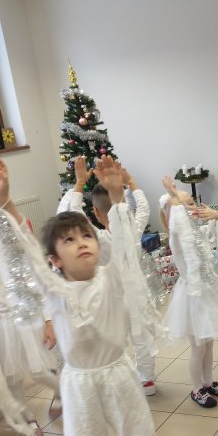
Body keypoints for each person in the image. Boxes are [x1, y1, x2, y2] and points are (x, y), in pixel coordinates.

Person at [0, 156, 171, 436]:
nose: (81, 244)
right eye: (68, 241)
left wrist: (118, 193)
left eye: (84, 236)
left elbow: (123, 239)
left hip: (118, 374)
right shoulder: (53, 289)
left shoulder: (113, 275)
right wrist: (4, 203)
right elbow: (24, 257)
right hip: (79, 381)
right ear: (54, 259)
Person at [58, 157, 158, 395]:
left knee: (115, 337)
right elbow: (143, 207)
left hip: (111, 299)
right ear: (123, 206)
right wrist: (130, 182)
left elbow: (72, 215)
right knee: (141, 336)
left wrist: (79, 183)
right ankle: (147, 381)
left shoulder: (97, 239)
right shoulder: (133, 228)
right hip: (138, 293)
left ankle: (119, 376)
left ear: (95, 212)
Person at [160, 177, 218, 408]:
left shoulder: (198, 230)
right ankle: (196, 388)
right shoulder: (178, 237)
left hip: (209, 290)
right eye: (185, 205)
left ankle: (208, 382)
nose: (191, 209)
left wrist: (217, 215)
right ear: (172, 215)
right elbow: (179, 228)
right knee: (198, 347)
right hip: (192, 296)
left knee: (209, 344)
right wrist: (174, 199)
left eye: (192, 204)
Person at [0, 200, 61, 436]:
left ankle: (64, 393)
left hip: (25, 320)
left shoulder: (14, 259)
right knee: (12, 378)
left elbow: (37, 289)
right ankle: (28, 420)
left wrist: (48, 322)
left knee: (39, 370)